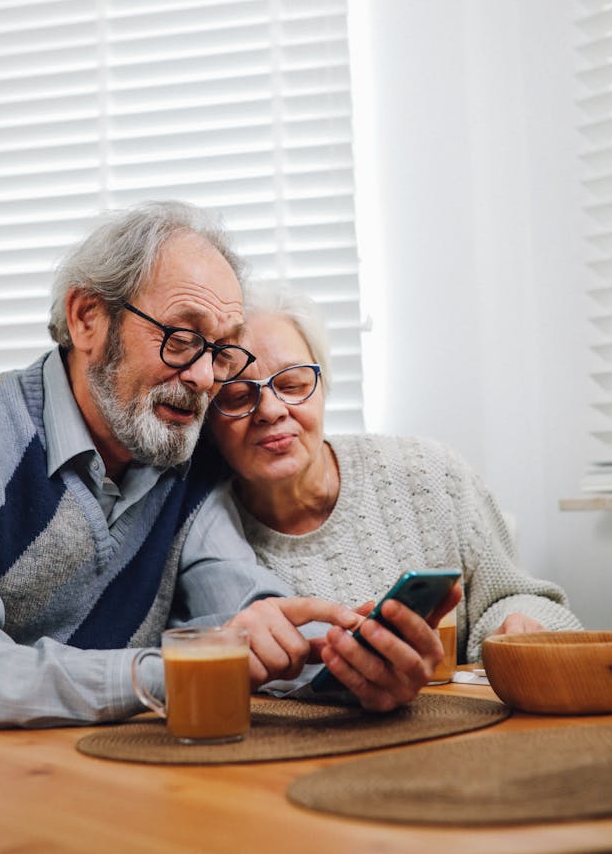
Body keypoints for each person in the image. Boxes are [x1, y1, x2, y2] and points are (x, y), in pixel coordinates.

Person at [0, 203, 452, 753]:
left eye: (223, 349)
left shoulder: (187, 462)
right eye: (182, 338)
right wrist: (171, 673)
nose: (207, 377)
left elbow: (248, 616)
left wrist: (349, 666)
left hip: (109, 788)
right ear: (87, 318)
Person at [205, 281, 582, 677]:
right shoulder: (204, 534)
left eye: (293, 384)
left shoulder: (431, 473)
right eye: (236, 397)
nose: (271, 410)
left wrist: (515, 627)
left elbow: (521, 598)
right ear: (208, 418)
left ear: (323, 387)